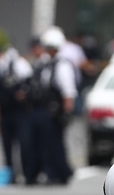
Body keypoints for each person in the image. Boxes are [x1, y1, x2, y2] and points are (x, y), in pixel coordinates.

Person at [27, 26, 77, 184]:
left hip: (54, 112)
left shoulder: (62, 65)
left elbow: (68, 91)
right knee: (42, 143)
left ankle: (60, 173)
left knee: (55, 144)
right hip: (42, 111)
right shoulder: (45, 63)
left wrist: (67, 112)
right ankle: (46, 172)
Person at [0, 44, 33, 180]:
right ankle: (10, 173)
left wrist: (23, 94)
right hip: (5, 112)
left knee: (24, 143)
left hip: (20, 112)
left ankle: (27, 173)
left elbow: (29, 84)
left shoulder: (19, 64)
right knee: (7, 144)